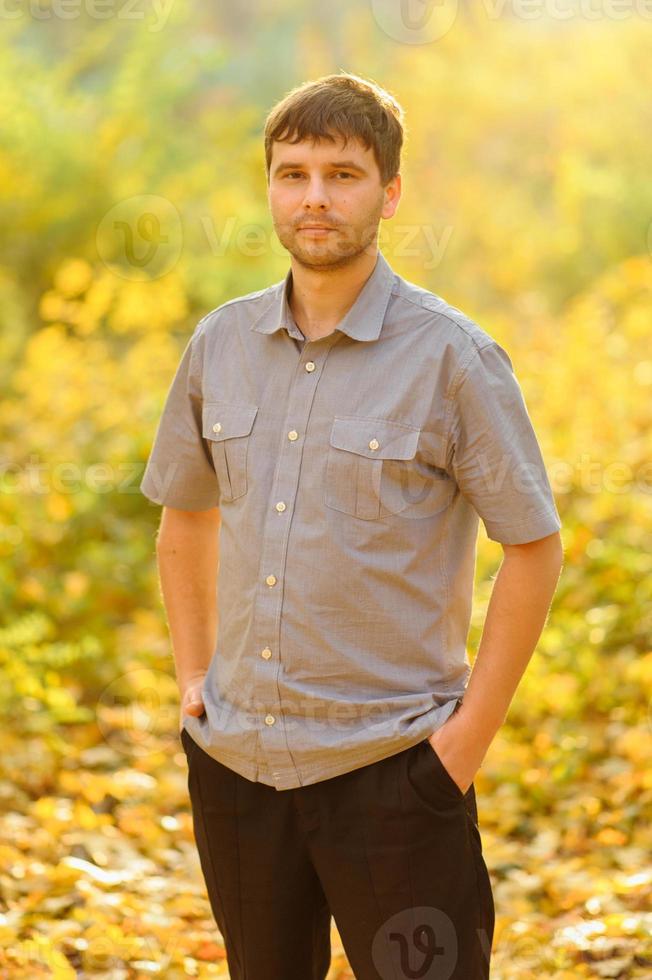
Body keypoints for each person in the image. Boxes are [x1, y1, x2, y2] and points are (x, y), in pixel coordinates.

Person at [140, 71, 564, 980]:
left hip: (398, 772)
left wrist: (464, 744)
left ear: (391, 190)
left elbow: (533, 546)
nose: (315, 198)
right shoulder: (219, 344)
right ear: (269, 188)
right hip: (240, 767)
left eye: (342, 174)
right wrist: (192, 676)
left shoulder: (454, 357)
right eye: (292, 174)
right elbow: (185, 516)